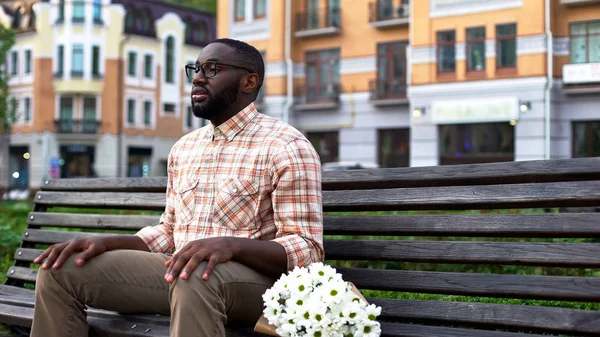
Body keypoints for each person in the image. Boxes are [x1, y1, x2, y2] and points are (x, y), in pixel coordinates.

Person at [30, 38, 324, 337]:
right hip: (185, 275)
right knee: (61, 270)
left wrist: (230, 246)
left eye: (212, 69)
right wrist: (108, 241)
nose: (197, 77)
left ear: (249, 82)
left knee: (197, 272)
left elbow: (307, 248)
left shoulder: (285, 146)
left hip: (259, 288)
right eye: (196, 69)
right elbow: (169, 232)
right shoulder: (185, 147)